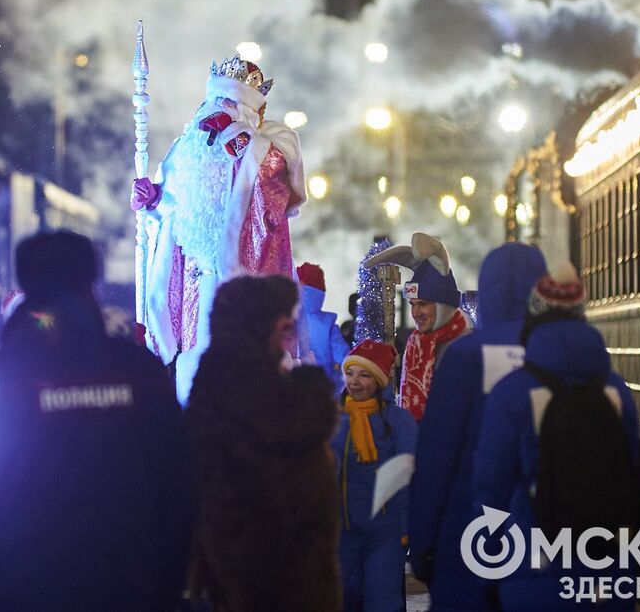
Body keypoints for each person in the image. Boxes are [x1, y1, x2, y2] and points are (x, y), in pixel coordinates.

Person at [0, 231, 193, 611]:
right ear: (94, 281)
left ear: (23, 283)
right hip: (129, 590)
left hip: (17, 593)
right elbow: (178, 488)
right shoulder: (138, 372)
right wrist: (164, 589)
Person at [133, 54, 307, 402]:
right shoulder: (188, 147)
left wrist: (239, 142)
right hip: (191, 277)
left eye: (230, 101)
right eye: (216, 100)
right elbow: (175, 203)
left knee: (239, 369)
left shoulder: (270, 144)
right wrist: (152, 200)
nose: (219, 108)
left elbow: (278, 190)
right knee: (192, 367)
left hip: (242, 272)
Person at [473, 261, 640, 610]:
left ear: (534, 317)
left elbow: (491, 486)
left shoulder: (512, 391)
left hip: (533, 561)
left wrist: (488, 566)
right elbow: (631, 469)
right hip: (606, 563)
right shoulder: (616, 391)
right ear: (582, 316)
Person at [187, 274, 340, 612]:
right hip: (283, 573)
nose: (287, 338)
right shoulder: (263, 393)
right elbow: (297, 434)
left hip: (239, 570)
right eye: (283, 328)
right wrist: (313, 390)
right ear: (264, 327)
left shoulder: (213, 384)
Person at [407, 243, 546, 611]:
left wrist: (422, 543)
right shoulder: (563, 356)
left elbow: (437, 458)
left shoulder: (466, 356)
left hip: (467, 533)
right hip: (549, 538)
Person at [332, 339, 417, 612]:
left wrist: (405, 528)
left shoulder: (398, 421)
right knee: (340, 600)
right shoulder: (333, 419)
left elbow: (408, 477)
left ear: (380, 380)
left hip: (385, 533)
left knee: (382, 603)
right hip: (342, 532)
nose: (354, 382)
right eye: (350, 373)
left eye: (365, 375)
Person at [364, 232, 469, 421]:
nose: (416, 313)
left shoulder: (465, 346)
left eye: (424, 304)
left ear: (443, 305)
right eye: (412, 304)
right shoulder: (417, 343)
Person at [297, 262, 349, 393]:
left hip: (294, 385)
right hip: (324, 388)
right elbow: (343, 356)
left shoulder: (288, 319)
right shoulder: (328, 323)